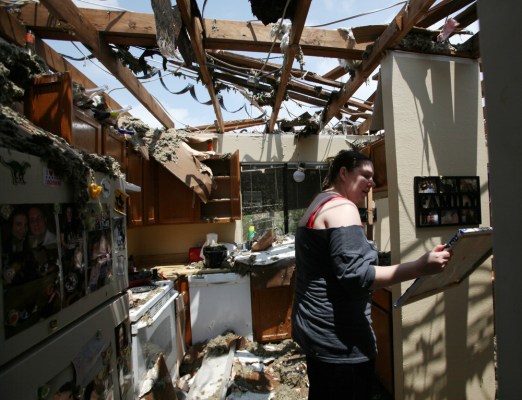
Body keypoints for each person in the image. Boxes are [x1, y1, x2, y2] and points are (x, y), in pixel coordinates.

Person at [291, 150, 452, 400]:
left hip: (314, 332)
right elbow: (357, 277)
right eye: (365, 175)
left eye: (373, 177)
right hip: (340, 342)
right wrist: (420, 266)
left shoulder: (319, 202)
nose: (372, 183)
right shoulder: (343, 208)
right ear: (343, 173)